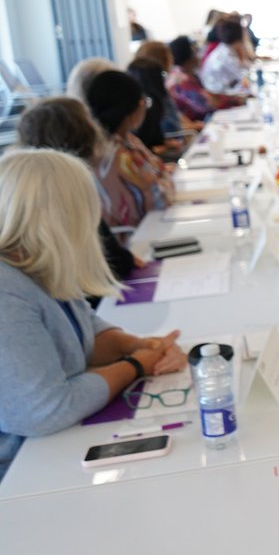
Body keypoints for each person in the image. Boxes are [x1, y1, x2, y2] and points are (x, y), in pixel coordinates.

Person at [0, 149, 187, 480]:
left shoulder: (35, 262)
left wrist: (138, 345)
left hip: (54, 450)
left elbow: (85, 333)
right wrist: (136, 365)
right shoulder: (6, 291)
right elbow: (45, 410)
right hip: (20, 475)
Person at [15, 97, 141, 294]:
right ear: (83, 135)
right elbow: (113, 261)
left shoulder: (24, 193)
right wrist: (127, 259)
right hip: (94, 298)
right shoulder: (73, 190)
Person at [85, 70, 175, 228]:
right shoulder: (120, 155)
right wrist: (165, 178)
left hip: (142, 231)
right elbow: (161, 200)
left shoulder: (116, 143)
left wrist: (161, 177)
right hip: (139, 238)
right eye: (144, 102)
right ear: (134, 107)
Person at [167, 35, 246, 122]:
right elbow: (206, 106)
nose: (199, 56)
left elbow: (209, 96)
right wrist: (236, 100)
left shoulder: (183, 74)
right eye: (196, 51)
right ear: (189, 56)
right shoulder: (183, 81)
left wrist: (235, 97)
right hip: (199, 126)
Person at [200, 17, 252, 94]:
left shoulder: (223, 48)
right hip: (217, 93)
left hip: (217, 88)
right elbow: (242, 76)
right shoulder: (226, 56)